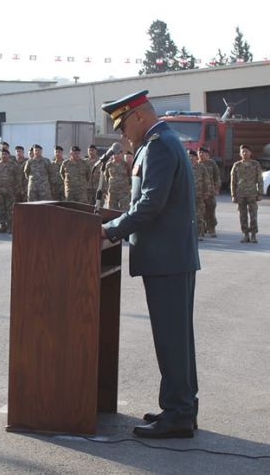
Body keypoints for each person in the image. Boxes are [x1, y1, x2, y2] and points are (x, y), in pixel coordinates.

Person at [101, 90, 200, 439]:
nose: (122, 134)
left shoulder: (158, 145)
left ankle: (179, 413)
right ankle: (180, 407)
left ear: (139, 116)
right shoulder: (161, 142)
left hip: (166, 259)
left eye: (123, 126)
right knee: (177, 339)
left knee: (172, 340)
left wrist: (109, 230)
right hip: (170, 258)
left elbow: (149, 203)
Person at [230, 144, 263, 243]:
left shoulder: (255, 164)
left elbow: (260, 179)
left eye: (246, 151)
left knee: (253, 215)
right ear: (240, 154)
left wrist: (260, 193)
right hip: (240, 194)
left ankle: (253, 235)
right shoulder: (237, 165)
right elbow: (233, 181)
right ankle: (245, 235)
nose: (244, 153)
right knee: (242, 216)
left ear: (250, 153)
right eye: (243, 152)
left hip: (252, 194)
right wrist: (233, 195)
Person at [198, 148, 221, 237]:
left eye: (202, 153)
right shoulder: (196, 164)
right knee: (200, 212)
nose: (201, 154)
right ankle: (202, 229)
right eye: (199, 152)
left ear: (206, 154)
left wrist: (217, 188)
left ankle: (212, 229)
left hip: (210, 192)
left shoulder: (211, 163)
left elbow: (217, 177)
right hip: (200, 192)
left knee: (210, 211)